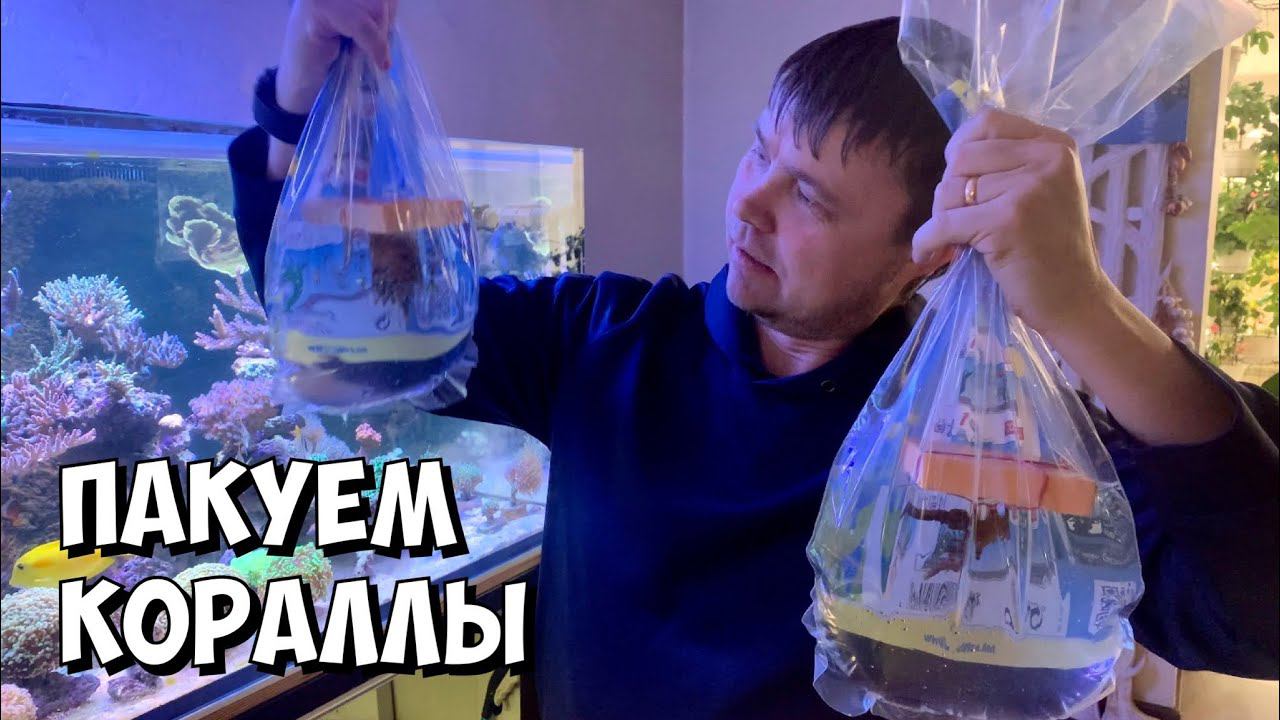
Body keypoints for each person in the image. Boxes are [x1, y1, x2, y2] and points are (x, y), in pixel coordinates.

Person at [228, 3, 1280, 718]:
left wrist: (1083, 308)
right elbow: (353, 316)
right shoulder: (600, 340)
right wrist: (300, 103)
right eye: (758, 151)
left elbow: (1252, 618)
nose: (748, 204)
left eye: (809, 195)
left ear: (928, 249)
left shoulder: (971, 442)